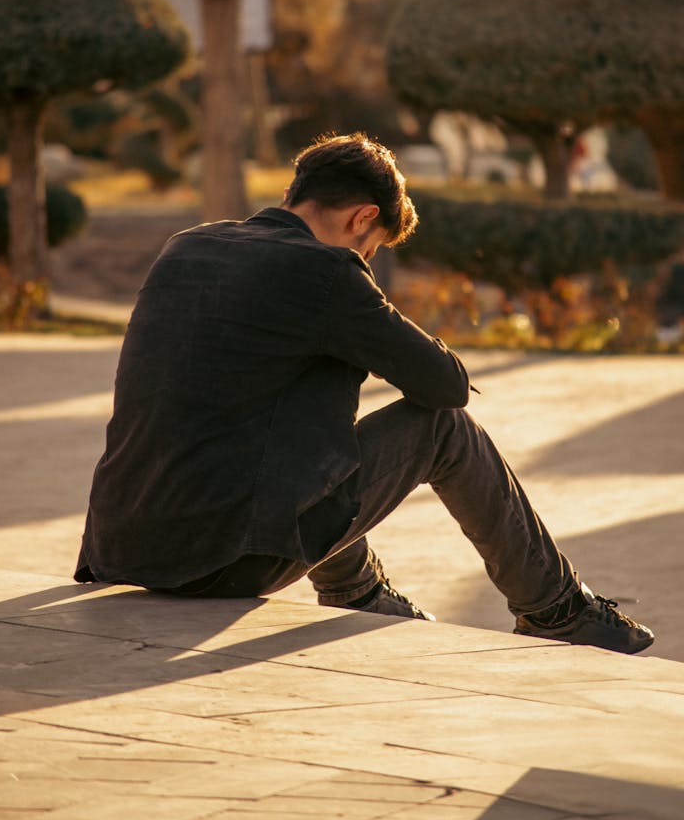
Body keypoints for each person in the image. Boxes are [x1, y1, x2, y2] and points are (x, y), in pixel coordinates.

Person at [75, 133, 654, 655]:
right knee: (441, 431)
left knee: (290, 419)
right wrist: (367, 302)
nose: (365, 264)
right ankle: (555, 607)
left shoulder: (186, 246)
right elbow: (446, 387)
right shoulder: (328, 272)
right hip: (222, 562)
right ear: (362, 219)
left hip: (122, 545)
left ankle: (359, 590)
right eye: (371, 251)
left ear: (291, 193)